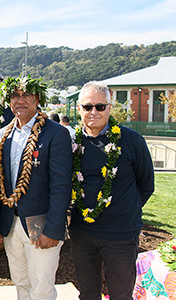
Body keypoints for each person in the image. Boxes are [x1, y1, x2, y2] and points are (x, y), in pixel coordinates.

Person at [70, 81, 154, 300]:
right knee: (88, 294)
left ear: (109, 107)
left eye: (100, 106)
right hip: (83, 233)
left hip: (121, 236)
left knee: (121, 295)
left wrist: (125, 209)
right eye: (88, 107)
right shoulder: (71, 143)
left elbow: (146, 184)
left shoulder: (131, 140)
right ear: (79, 109)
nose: (94, 112)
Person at [0, 76, 72, 300]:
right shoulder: (2, 135)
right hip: (11, 223)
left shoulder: (56, 133)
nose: (20, 100)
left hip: (41, 224)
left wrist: (53, 229)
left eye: (26, 95)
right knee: (21, 283)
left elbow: (61, 185)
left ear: (38, 99)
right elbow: (2, 182)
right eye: (15, 96)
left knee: (41, 288)